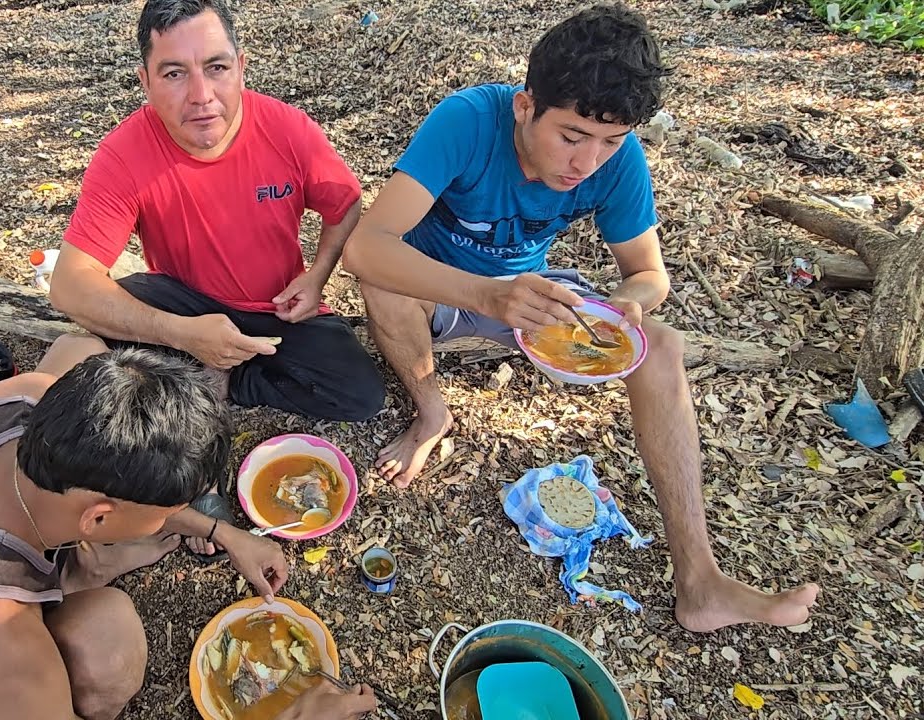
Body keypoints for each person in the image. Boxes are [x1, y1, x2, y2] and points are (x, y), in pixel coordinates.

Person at [341, 4, 819, 632]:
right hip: (441, 286)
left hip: (538, 297)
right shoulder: (466, 121)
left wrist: (630, 303)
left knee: (663, 347)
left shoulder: (617, 158)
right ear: (525, 106)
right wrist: (487, 296)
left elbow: (649, 274)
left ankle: (701, 582)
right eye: (571, 136)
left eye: (609, 142)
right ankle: (432, 413)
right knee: (382, 286)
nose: (587, 162)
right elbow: (366, 248)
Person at [0, 336, 378, 720]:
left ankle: (87, 567)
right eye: (165, 512)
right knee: (108, 642)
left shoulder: (31, 399)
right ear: (98, 518)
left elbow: (118, 490)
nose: (175, 522)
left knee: (76, 347)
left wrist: (224, 535)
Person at [48, 0, 385, 425]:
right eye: (174, 74)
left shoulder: (288, 129)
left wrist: (317, 277)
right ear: (145, 81)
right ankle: (190, 367)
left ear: (241, 67)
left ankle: (229, 380)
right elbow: (69, 285)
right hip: (184, 305)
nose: (201, 96)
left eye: (216, 68)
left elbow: (346, 203)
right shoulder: (123, 154)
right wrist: (180, 333)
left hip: (275, 308)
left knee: (360, 395)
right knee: (105, 325)